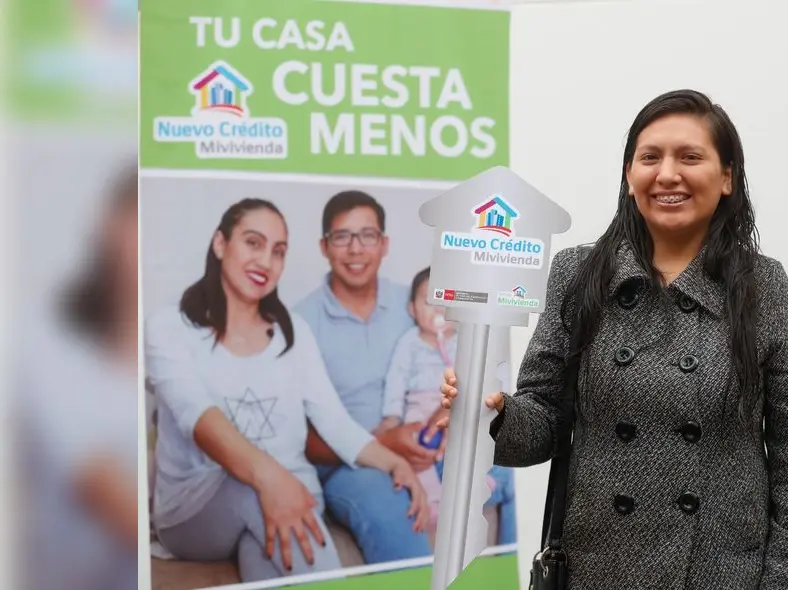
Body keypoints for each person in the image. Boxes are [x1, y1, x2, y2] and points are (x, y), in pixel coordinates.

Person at [439, 89, 788, 588]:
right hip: (596, 568)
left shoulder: (763, 288)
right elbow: (543, 423)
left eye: (691, 157)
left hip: (720, 574)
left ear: (727, 176)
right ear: (629, 175)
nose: (668, 174)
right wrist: (492, 414)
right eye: (650, 157)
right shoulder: (578, 274)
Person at [145, 198, 428, 582]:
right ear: (220, 243)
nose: (266, 261)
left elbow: (335, 422)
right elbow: (197, 417)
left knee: (272, 543)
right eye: (253, 242)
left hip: (288, 498)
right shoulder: (169, 328)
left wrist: (393, 462)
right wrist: (270, 478)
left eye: (278, 251)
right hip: (196, 509)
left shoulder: (292, 331)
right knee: (257, 495)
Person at [294, 190, 435, 562]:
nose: (355, 249)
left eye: (367, 235)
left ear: (384, 244)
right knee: (390, 502)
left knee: (503, 475)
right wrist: (386, 444)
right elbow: (299, 439)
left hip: (430, 441)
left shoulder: (416, 303)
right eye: (342, 237)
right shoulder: (300, 323)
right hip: (347, 466)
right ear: (324, 246)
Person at [17, 166, 139, 590]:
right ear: (109, 225)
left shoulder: (170, 344)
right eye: (137, 219)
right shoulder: (51, 345)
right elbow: (104, 491)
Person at [380, 267, 518, 544]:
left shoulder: (466, 342)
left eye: (447, 300)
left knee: (475, 435)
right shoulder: (408, 345)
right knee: (423, 448)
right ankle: (433, 499)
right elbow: (396, 381)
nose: (438, 309)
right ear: (411, 309)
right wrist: (392, 418)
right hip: (420, 408)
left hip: (459, 409)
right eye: (428, 301)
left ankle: (480, 483)